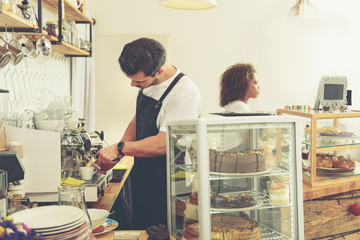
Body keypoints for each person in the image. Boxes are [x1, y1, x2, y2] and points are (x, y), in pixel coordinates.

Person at [95, 38, 201, 230]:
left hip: (171, 179)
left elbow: (163, 143)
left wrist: (120, 148)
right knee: (143, 229)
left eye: (138, 81)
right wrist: (117, 153)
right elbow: (139, 120)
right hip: (146, 172)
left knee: (164, 232)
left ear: (159, 71)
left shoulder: (184, 93)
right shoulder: (148, 82)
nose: (132, 84)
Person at [218, 63, 260, 152]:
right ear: (244, 85)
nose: (258, 87)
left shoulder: (232, 106)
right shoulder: (241, 108)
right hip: (238, 159)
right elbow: (252, 144)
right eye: (255, 83)